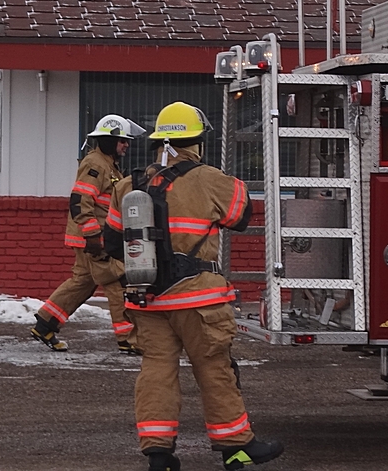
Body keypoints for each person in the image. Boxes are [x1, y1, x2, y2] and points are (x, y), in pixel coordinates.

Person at [105, 102, 283, 471]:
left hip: (147, 299)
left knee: (157, 371)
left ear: (160, 142)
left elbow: (111, 243)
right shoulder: (209, 179)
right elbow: (241, 216)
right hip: (199, 299)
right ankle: (236, 447)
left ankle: (158, 455)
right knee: (214, 369)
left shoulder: (127, 186)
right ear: (196, 142)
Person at [30, 113, 145, 355]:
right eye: (122, 141)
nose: (126, 145)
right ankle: (129, 339)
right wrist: (93, 235)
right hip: (95, 238)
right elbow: (80, 200)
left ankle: (45, 324)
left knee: (83, 282)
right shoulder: (96, 164)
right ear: (109, 141)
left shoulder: (107, 164)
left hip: (93, 236)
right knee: (117, 280)